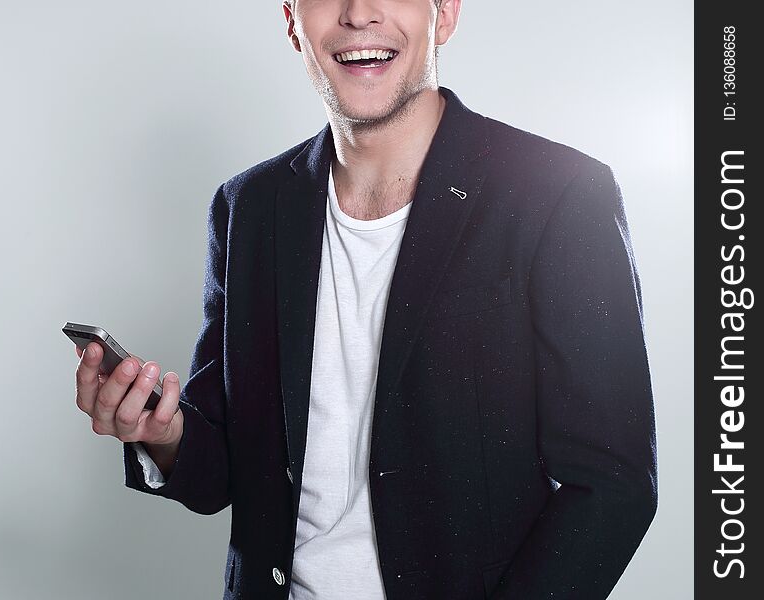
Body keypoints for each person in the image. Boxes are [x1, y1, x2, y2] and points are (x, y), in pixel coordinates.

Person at [73, 1, 658, 598]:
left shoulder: (558, 193)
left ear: (446, 13)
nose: (358, 12)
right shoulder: (248, 207)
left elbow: (613, 486)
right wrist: (160, 435)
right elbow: (222, 476)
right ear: (293, 22)